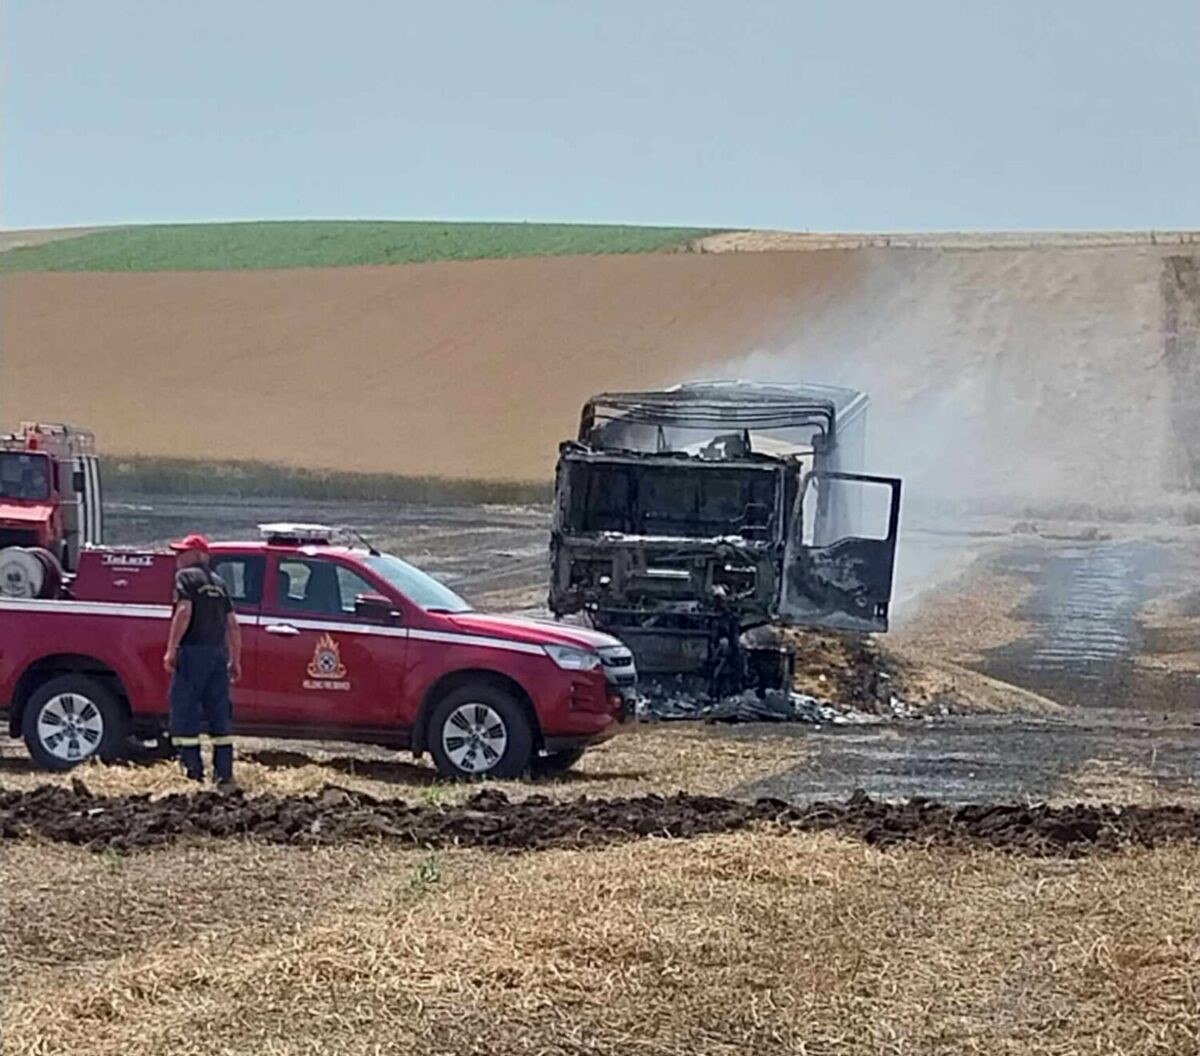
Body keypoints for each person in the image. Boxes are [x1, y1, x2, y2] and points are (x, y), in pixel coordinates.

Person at [163, 533, 242, 786]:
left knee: (185, 710)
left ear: (198, 555)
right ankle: (224, 774)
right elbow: (232, 624)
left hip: (193, 652)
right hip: (218, 655)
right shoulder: (219, 583)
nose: (177, 557)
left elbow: (184, 612)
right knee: (219, 713)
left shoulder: (185, 577)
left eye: (182, 552)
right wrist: (235, 659)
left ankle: (192, 772)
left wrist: (172, 649)